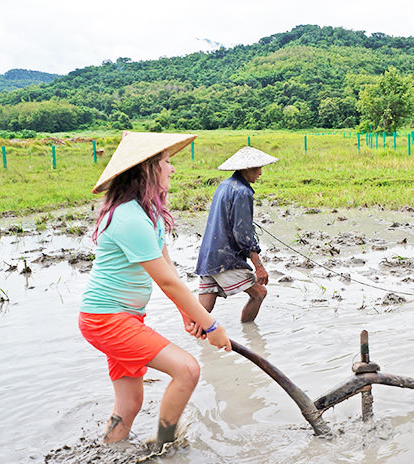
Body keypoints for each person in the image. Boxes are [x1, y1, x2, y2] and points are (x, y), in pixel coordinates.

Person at [78, 131, 232, 451]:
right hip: (106, 319)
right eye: (166, 162)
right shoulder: (128, 217)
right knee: (187, 370)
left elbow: (168, 269)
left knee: (130, 403)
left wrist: (188, 313)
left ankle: (107, 450)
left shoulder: (148, 213)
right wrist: (212, 325)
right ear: (147, 169)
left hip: (124, 318)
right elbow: (167, 282)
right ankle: (163, 449)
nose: (172, 169)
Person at [194, 146, 278, 326]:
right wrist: (259, 266)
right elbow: (243, 233)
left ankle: (195, 341)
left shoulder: (224, 186)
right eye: (257, 168)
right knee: (259, 293)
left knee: (203, 310)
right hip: (226, 258)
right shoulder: (242, 191)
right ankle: (250, 337)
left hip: (209, 255)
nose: (261, 173)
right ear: (246, 168)